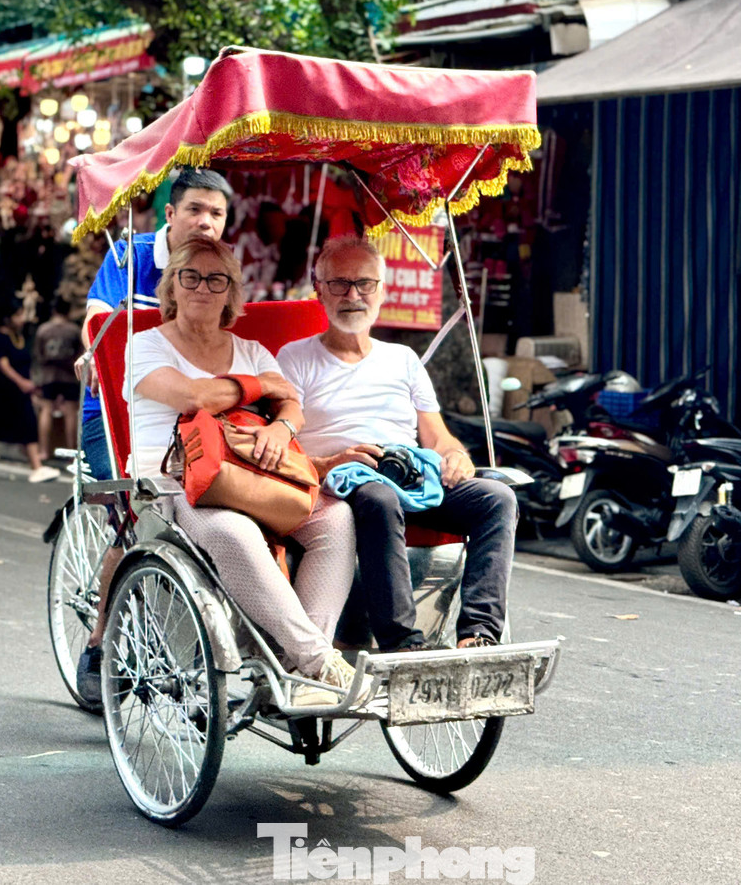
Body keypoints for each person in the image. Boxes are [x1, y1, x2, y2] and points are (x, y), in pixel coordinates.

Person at [75, 236, 367, 710]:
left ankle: (296, 671)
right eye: (190, 277)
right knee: (233, 530)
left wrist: (281, 429)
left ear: (231, 291)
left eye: (216, 280)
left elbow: (291, 403)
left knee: (335, 519)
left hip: (251, 474)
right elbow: (194, 397)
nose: (202, 288)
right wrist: (257, 387)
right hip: (174, 484)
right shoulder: (143, 346)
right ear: (172, 286)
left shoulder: (250, 349)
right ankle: (319, 661)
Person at [277, 237, 515, 653]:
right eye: (339, 284)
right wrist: (333, 461)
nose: (353, 295)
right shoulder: (294, 358)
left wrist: (455, 455)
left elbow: (436, 436)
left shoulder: (403, 358)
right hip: (341, 482)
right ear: (319, 290)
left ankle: (478, 633)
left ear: (382, 290)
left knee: (497, 498)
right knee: (379, 498)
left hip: (410, 474)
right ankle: (402, 642)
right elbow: (285, 440)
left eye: (365, 284)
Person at [77, 167, 231, 482]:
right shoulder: (132, 255)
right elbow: (97, 319)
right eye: (195, 210)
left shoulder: (223, 271)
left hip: (189, 409)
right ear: (170, 214)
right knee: (128, 488)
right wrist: (95, 353)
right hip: (116, 409)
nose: (206, 222)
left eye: (216, 213)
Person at [0, 301, 60, 483]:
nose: (22, 319)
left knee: (28, 423)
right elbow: (3, 364)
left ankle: (36, 467)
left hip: (18, 393)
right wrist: (22, 383)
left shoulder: (20, 337)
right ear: (7, 318)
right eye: (18, 315)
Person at [33, 296, 80, 456]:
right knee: (71, 412)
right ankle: (72, 453)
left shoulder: (43, 329)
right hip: (69, 376)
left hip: (48, 375)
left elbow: (38, 354)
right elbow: (79, 353)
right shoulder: (73, 330)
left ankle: (43, 450)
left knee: (46, 409)